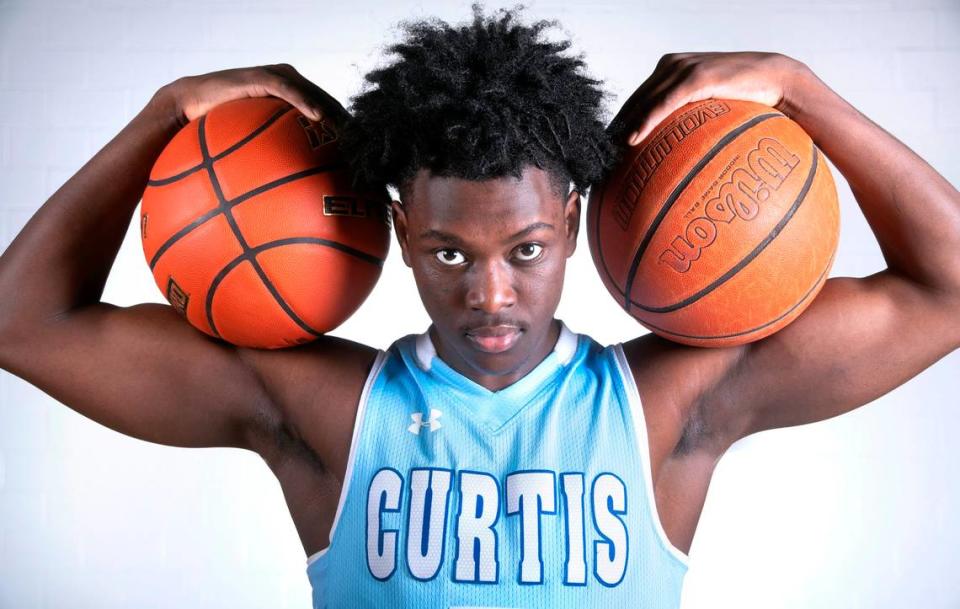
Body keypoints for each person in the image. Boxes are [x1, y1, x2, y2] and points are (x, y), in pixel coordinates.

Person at [1, 6, 958, 609]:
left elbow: (946, 289)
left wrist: (797, 87)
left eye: (528, 250)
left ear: (573, 224)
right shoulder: (326, 411)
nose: (490, 294)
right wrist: (167, 112)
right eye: (449, 250)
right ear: (399, 226)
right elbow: (23, 325)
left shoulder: (667, 408)